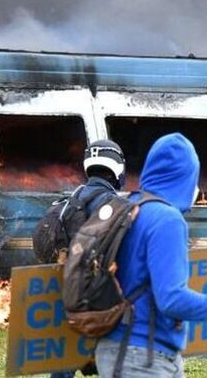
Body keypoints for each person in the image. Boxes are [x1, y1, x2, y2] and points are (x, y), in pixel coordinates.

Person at [95, 133, 207, 377]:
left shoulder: (130, 207)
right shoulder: (168, 220)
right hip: (142, 357)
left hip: (123, 350)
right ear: (185, 177)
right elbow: (172, 299)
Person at [50, 139, 127, 378]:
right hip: (102, 293)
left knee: (66, 358)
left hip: (69, 289)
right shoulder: (115, 204)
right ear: (117, 168)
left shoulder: (70, 200)